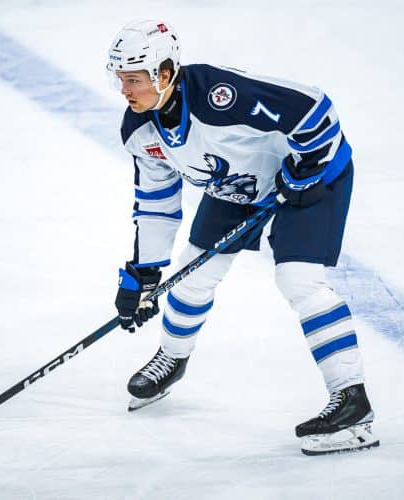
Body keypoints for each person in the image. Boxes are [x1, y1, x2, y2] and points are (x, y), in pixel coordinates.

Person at [107, 19, 378, 455]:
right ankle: (172, 358)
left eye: (134, 80)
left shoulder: (219, 97)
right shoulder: (141, 131)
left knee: (299, 279)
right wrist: (144, 273)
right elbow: (156, 203)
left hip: (311, 179)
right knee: (192, 275)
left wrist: (306, 170)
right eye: (120, 79)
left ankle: (353, 402)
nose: (124, 91)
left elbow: (315, 109)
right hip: (238, 187)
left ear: (164, 73)